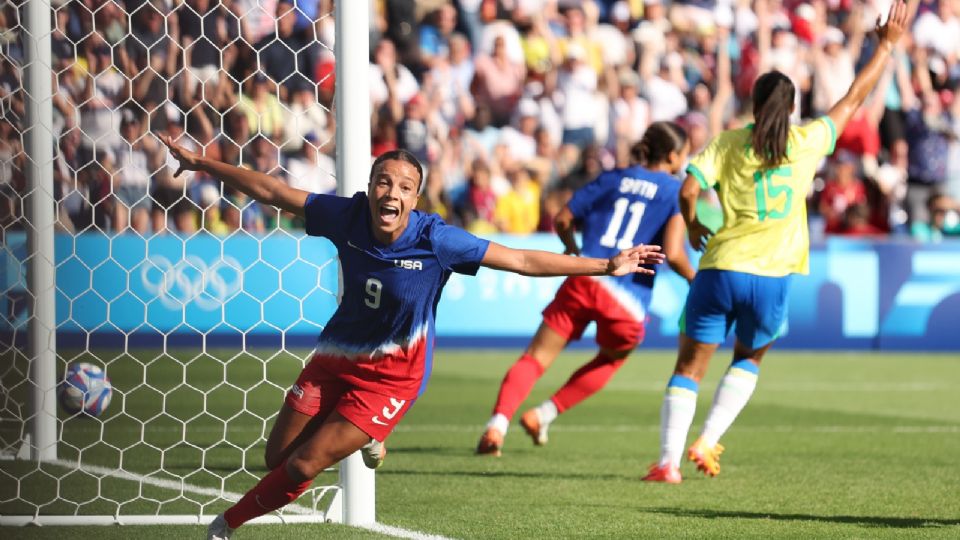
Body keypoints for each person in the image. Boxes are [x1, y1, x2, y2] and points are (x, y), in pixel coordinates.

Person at [159, 142, 666, 540]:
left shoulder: (436, 240)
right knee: (277, 460)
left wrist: (605, 265)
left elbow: (522, 259)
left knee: (305, 463)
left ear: (414, 199)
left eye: (404, 186)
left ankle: (225, 526)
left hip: (391, 381)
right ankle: (368, 440)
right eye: (384, 181)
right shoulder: (348, 216)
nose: (392, 193)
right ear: (371, 187)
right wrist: (203, 163)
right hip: (335, 359)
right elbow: (273, 193)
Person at [642, 1, 912, 484]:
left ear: (752, 102)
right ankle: (709, 438)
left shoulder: (727, 143)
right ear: (791, 108)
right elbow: (853, 96)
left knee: (690, 366)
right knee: (747, 359)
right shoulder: (806, 140)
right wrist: (886, 47)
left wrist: (693, 222)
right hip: (772, 275)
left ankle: (667, 463)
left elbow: (688, 187)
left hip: (721, 266)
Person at [476, 122, 696, 456]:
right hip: (629, 296)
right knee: (611, 359)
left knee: (536, 358)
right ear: (672, 155)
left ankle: (497, 425)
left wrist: (572, 251)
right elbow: (675, 252)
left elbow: (563, 219)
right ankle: (543, 414)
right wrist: (696, 280)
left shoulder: (613, 177)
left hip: (587, 276)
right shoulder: (673, 192)